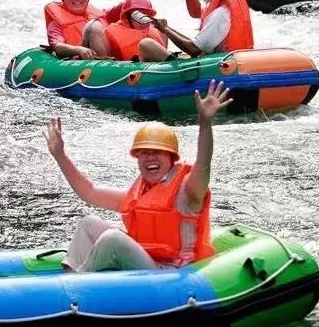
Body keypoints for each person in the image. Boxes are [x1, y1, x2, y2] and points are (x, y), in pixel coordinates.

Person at [44, 80, 233, 272]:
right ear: (137, 158)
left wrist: (205, 123)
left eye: (157, 152)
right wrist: (60, 156)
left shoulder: (188, 191)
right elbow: (89, 192)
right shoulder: (138, 194)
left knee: (113, 239)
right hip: (146, 261)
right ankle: (70, 276)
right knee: (89, 224)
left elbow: (203, 163)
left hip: (174, 272)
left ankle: (75, 288)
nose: (150, 157)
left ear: (171, 158)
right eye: (144, 153)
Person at [88, 0, 169, 61]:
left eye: (147, 16)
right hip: (131, 68)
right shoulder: (110, 32)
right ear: (126, 19)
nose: (144, 21)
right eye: (138, 16)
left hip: (160, 63)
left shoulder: (158, 29)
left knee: (163, 31)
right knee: (147, 43)